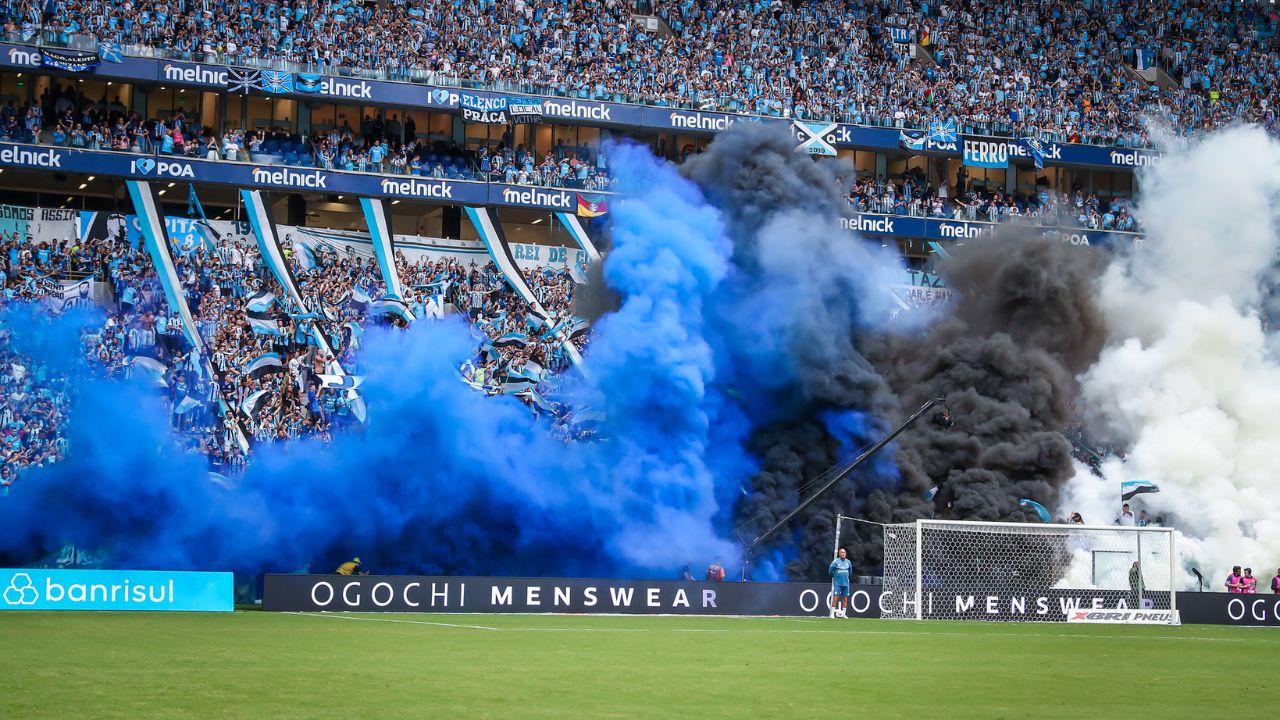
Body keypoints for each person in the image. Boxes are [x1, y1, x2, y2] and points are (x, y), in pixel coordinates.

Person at [829, 548, 853, 619]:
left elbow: (850, 572)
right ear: (839, 554)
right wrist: (835, 576)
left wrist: (846, 577)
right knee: (835, 598)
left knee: (845, 598)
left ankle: (843, 614)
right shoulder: (835, 562)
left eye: (844, 552)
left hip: (846, 583)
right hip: (838, 583)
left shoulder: (848, 562)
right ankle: (832, 614)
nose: (843, 554)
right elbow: (830, 571)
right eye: (842, 552)